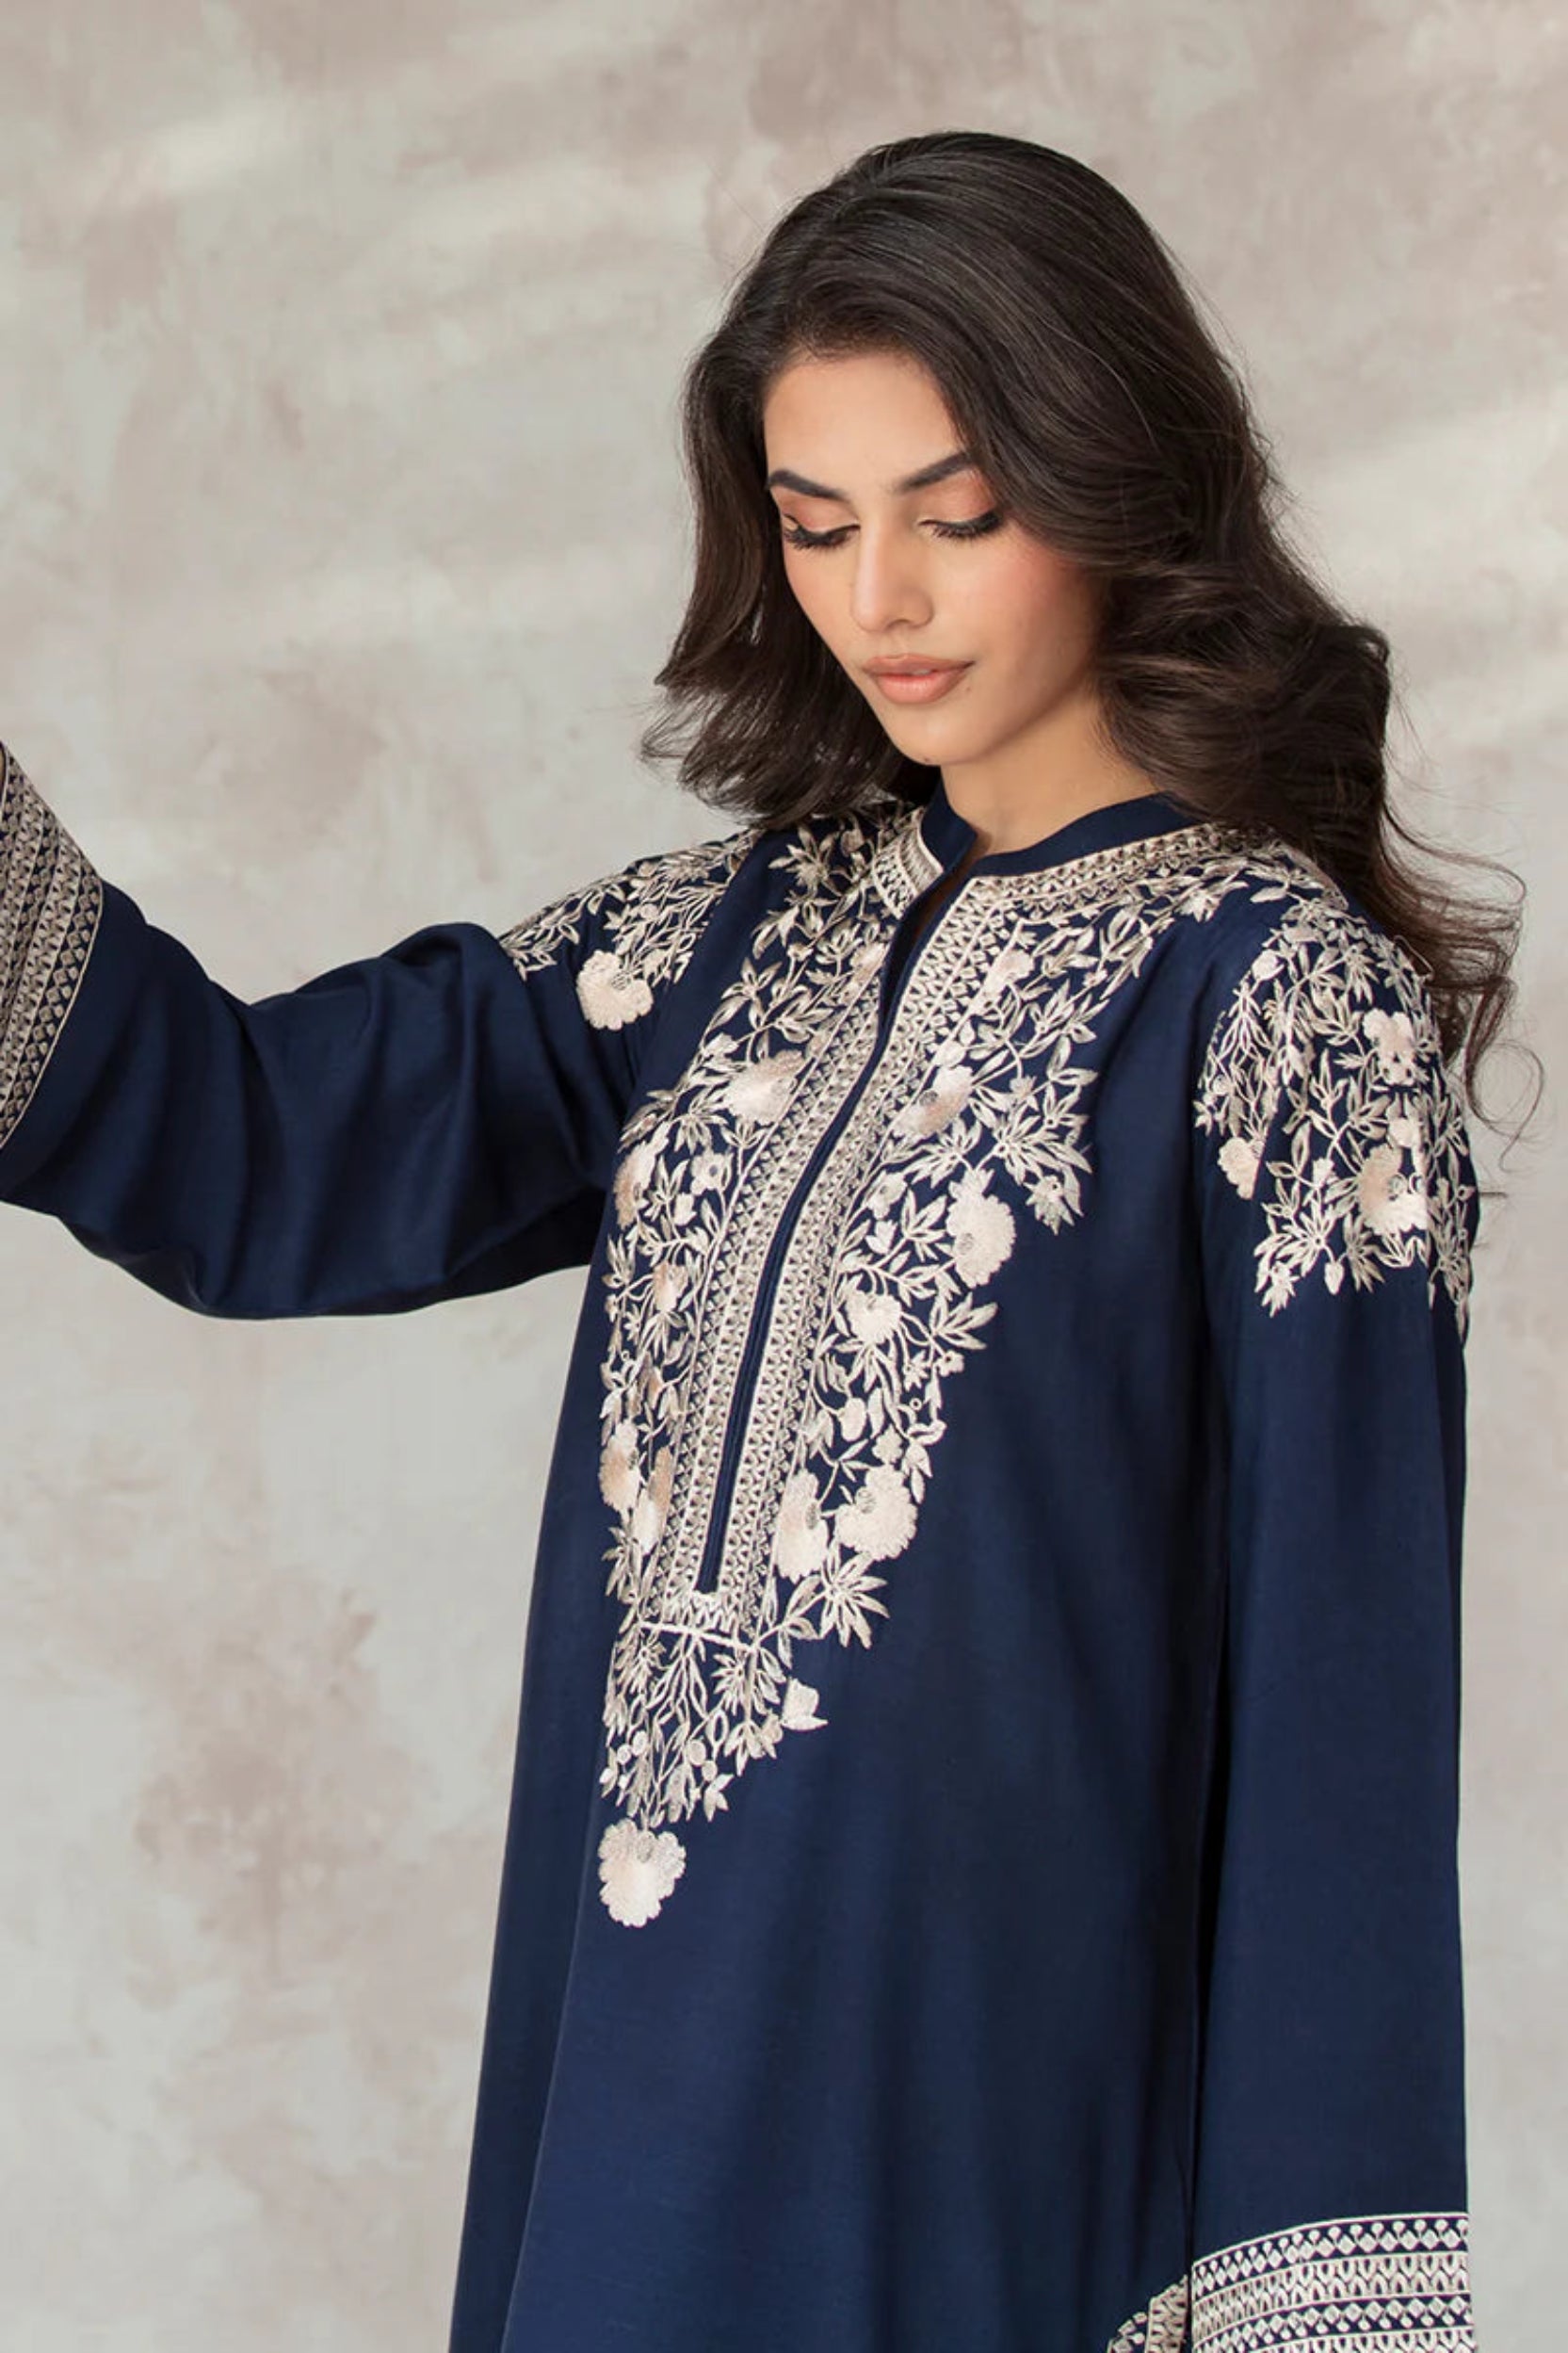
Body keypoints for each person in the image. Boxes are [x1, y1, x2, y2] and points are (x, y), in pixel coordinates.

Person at [0, 131, 1530, 2353]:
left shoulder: (1279, 1013)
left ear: (1113, 481)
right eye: (815, 526)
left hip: (994, 2206)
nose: (876, 597)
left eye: (953, 515)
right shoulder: (718, 955)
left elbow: (1338, 1766)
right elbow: (244, 1147)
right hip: (619, 2172)